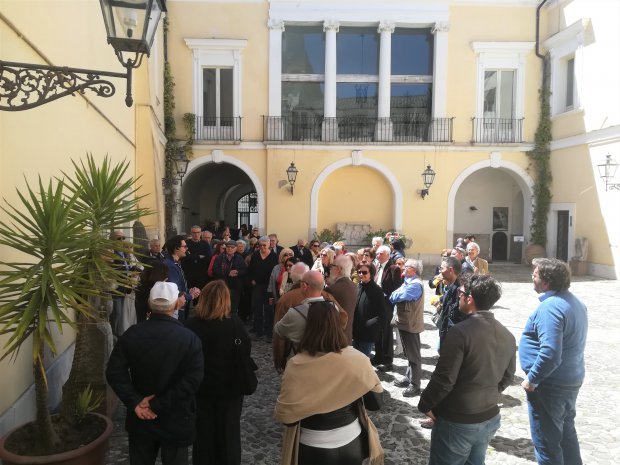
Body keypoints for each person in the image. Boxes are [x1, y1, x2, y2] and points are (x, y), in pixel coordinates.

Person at [418, 274, 516, 465]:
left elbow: (445, 379)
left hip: (459, 421)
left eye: (460, 293)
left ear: (469, 298)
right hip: (489, 416)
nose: (457, 296)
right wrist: (488, 395)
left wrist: (425, 403)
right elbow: (508, 377)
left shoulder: (460, 332)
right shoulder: (508, 334)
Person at [106, 281, 204, 465]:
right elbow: (193, 380)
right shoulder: (189, 339)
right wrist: (157, 404)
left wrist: (135, 402)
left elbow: (114, 372)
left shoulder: (132, 334)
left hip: (141, 417)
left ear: (150, 305)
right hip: (176, 416)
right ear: (176, 305)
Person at [275, 301, 384, 465]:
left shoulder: (296, 365)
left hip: (313, 447)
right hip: (352, 442)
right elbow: (375, 404)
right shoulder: (358, 359)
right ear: (337, 325)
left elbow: (287, 418)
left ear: (309, 326)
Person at [519, 258, 588, 465]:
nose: (532, 276)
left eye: (536, 274)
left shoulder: (551, 308)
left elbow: (550, 353)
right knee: (567, 437)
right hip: (569, 380)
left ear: (547, 282)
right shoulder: (575, 302)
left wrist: (532, 379)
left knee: (547, 445)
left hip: (549, 385)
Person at [186, 280, 253, 465]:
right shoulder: (235, 325)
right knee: (229, 435)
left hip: (201, 389)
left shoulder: (192, 325)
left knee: (203, 436)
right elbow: (245, 352)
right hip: (229, 389)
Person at [390, 259, 424, 397]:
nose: (403, 268)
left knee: (414, 355)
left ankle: (415, 385)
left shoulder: (415, 285)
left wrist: (396, 295)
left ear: (414, 270)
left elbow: (395, 297)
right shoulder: (408, 282)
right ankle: (408, 377)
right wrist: (395, 295)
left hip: (411, 324)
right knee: (409, 353)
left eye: (407, 267)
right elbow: (394, 296)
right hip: (405, 322)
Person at [353, 263, 387, 357]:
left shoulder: (377, 291)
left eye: (364, 272)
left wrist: (368, 324)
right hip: (355, 332)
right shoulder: (358, 287)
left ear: (371, 274)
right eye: (359, 272)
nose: (361, 274)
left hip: (367, 334)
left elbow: (382, 315)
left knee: (362, 362)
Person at [163, 235, 201, 321]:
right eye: (184, 246)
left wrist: (188, 290)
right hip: (176, 307)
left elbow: (180, 285)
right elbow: (175, 291)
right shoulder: (170, 265)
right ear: (176, 248)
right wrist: (191, 295)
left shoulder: (175, 263)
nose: (187, 249)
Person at [325, 255, 357, 345]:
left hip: (334, 338)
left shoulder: (332, 289)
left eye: (332, 266)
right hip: (347, 336)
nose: (330, 269)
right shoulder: (354, 286)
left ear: (338, 269)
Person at [212, 240, 248, 315]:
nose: (230, 249)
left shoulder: (239, 258)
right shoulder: (219, 257)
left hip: (235, 287)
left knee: (233, 308)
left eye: (232, 247)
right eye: (228, 247)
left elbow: (244, 270)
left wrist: (237, 272)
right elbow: (215, 270)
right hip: (222, 286)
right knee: (222, 307)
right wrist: (228, 273)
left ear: (235, 249)